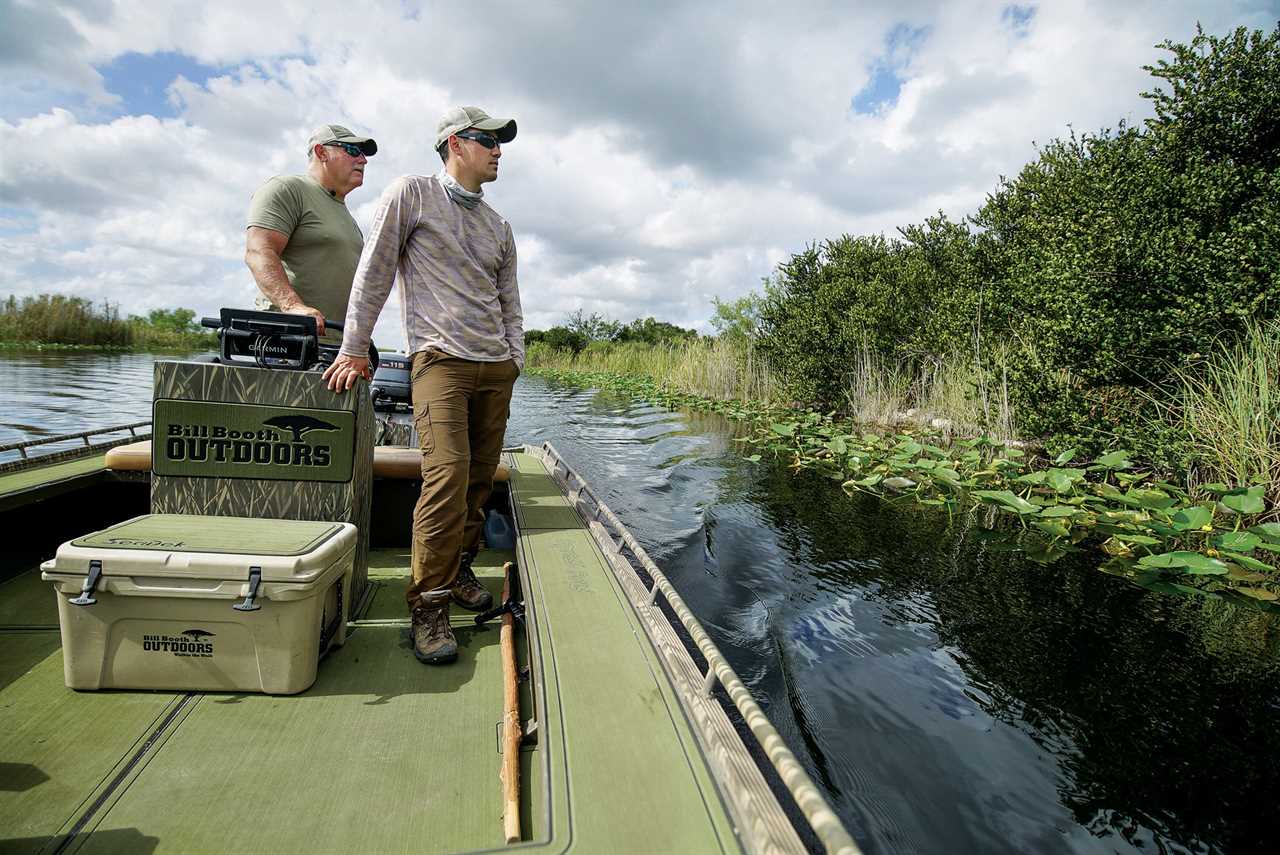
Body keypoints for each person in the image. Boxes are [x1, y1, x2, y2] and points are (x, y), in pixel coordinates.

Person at [324, 106, 523, 666]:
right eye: (489, 140)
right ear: (456, 144)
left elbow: (510, 301)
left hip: (495, 367)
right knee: (447, 476)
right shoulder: (411, 193)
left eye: (500, 142)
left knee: (480, 481)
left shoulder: (498, 225)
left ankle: (459, 571)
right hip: (439, 361)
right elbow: (375, 272)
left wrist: (514, 357)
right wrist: (354, 348)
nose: (499, 150)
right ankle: (428, 605)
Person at [244, 124, 378, 342]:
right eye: (352, 151)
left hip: (338, 352)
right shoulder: (287, 189)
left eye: (363, 154)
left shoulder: (347, 217)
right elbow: (258, 251)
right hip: (289, 343)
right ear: (321, 152)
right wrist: (292, 306)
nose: (363, 160)